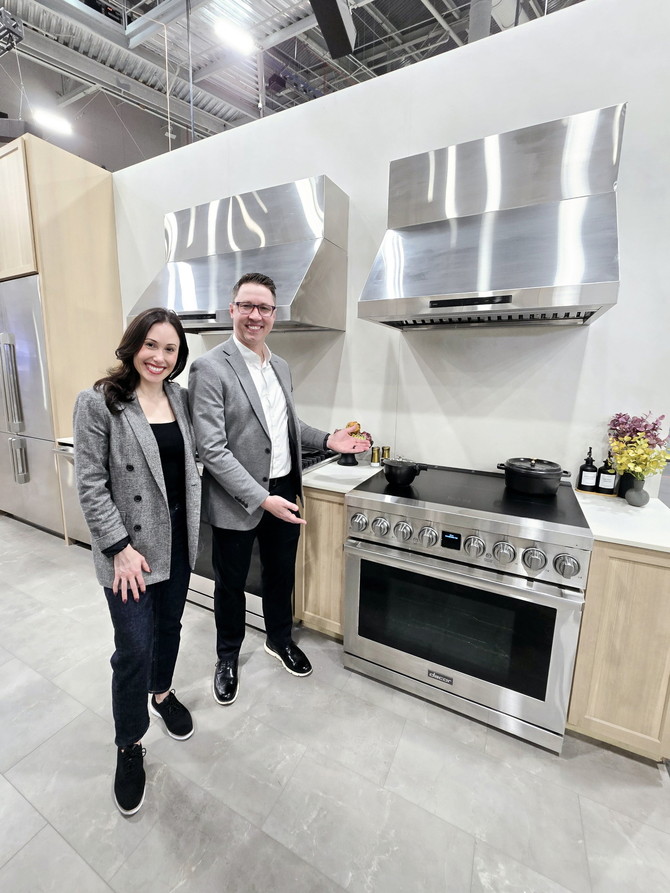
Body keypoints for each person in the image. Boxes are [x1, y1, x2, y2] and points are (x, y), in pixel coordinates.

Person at [188, 272, 370, 707]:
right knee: (230, 583)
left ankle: (279, 639)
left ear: (274, 314)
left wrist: (328, 440)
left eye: (264, 308)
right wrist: (260, 498)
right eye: (247, 306)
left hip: (286, 488)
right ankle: (227, 656)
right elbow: (211, 450)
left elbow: (287, 426)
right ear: (232, 310)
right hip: (238, 498)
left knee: (280, 573)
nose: (255, 315)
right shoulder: (210, 367)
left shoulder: (281, 366)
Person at [74, 308, 201, 816]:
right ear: (133, 345)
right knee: (132, 648)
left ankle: (162, 693)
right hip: (129, 553)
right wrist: (118, 548)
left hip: (179, 542)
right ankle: (129, 744)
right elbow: (90, 483)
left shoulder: (181, 399)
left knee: (169, 628)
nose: (159, 357)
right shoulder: (100, 402)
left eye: (170, 349)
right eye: (151, 345)